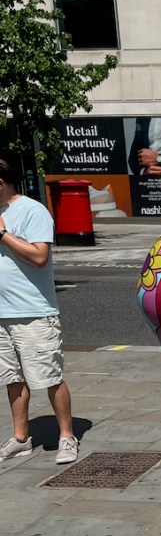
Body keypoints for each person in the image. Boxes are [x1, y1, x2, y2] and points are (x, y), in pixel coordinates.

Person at [0, 157, 78, 464]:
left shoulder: (33, 211)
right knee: (12, 377)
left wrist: (3, 235)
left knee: (49, 377)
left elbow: (39, 257)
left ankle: (67, 436)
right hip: (2, 314)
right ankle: (21, 438)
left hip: (33, 312)